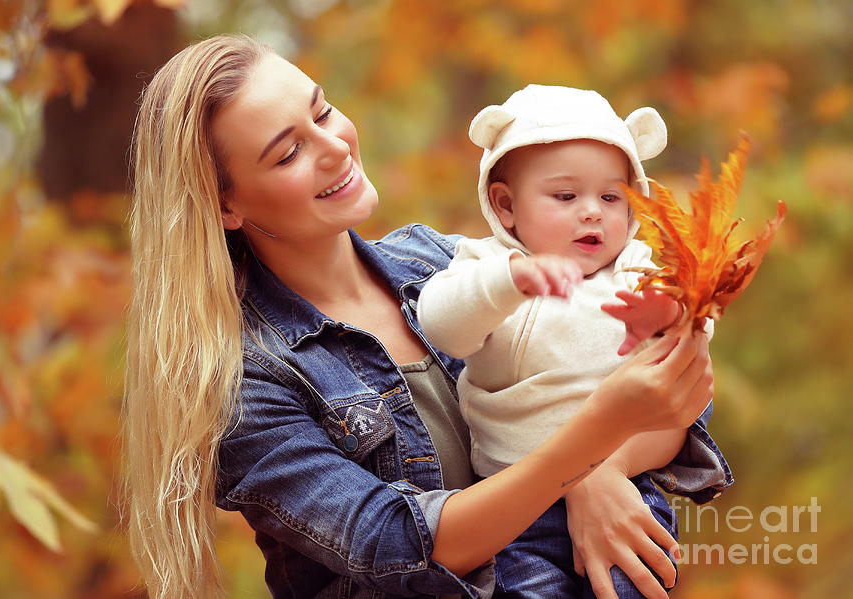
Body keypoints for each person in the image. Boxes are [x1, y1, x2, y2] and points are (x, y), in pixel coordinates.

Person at [123, 34, 732, 599]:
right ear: (224, 204)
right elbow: (397, 544)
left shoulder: (440, 262)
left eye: (323, 111)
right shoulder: (247, 382)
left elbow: (674, 398)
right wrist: (586, 451)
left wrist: (602, 471)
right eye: (289, 153)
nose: (336, 147)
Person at [416, 84, 722, 598]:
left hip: (627, 487)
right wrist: (510, 281)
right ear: (506, 204)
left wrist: (667, 312)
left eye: (611, 197)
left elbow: (697, 332)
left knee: (631, 585)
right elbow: (443, 326)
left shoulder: (633, 267)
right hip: (516, 510)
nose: (592, 212)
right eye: (566, 196)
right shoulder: (485, 266)